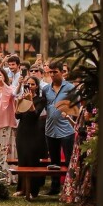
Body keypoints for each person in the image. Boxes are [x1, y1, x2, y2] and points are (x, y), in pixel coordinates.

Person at [42, 60, 76, 195]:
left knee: (68, 160)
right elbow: (45, 106)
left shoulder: (70, 88)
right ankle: (54, 188)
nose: (52, 75)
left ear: (62, 72)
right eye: (50, 72)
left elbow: (76, 108)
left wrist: (68, 113)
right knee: (54, 161)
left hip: (66, 129)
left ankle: (69, 188)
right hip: (50, 129)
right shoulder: (46, 89)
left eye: (55, 72)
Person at [13, 76, 47, 198]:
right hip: (22, 131)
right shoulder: (22, 98)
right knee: (22, 160)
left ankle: (33, 190)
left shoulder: (41, 99)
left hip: (34, 131)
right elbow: (17, 116)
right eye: (28, 84)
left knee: (32, 160)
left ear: (36, 86)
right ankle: (22, 189)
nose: (30, 86)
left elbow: (35, 114)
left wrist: (30, 100)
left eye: (32, 84)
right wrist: (18, 102)